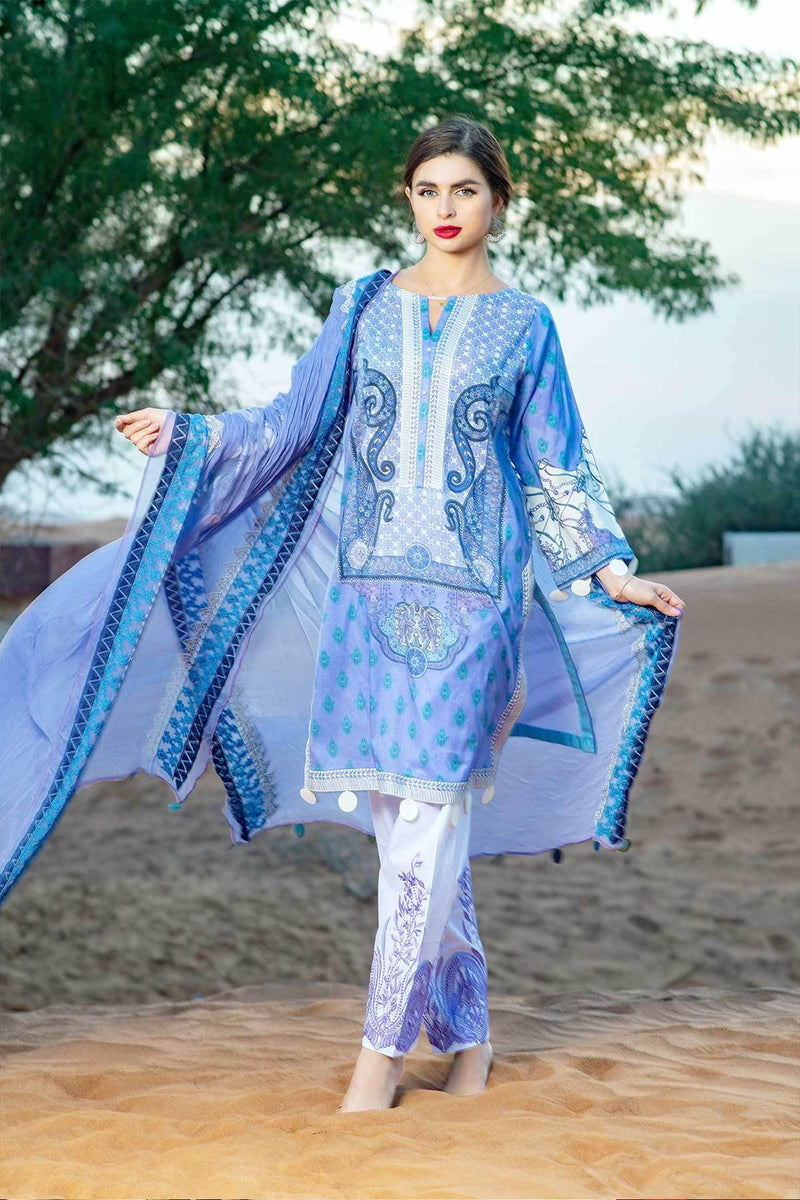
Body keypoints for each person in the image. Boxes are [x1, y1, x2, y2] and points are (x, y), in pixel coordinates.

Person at [0, 116, 685, 1113]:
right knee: (405, 830)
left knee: (427, 822)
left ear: (499, 201)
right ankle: (471, 1038)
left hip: (476, 609)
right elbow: (289, 425)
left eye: (464, 190)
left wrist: (612, 574)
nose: (444, 209)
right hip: (363, 606)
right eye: (426, 190)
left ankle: (379, 1058)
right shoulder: (363, 307)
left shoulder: (526, 326)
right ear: (407, 198)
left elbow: (554, 464)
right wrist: (191, 434)